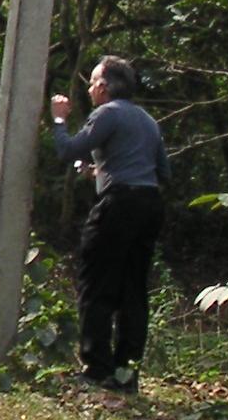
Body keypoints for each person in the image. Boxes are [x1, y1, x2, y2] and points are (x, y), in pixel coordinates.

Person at [50, 55, 169, 394]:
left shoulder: (107, 113)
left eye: (92, 83)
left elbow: (69, 149)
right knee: (133, 288)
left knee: (97, 281)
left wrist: (59, 120)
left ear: (103, 87)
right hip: (148, 205)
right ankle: (125, 373)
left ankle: (95, 367)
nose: (89, 90)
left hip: (118, 205)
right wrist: (100, 172)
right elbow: (161, 171)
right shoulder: (148, 121)